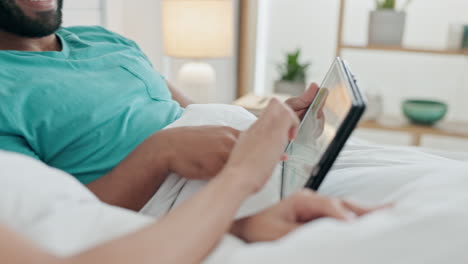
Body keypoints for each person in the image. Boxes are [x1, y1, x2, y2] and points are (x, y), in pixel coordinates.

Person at [0, 0, 320, 211]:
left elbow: (190, 112)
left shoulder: (104, 38)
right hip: (178, 204)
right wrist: (159, 154)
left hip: (258, 164)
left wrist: (271, 123)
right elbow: (47, 226)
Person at [0, 99, 380, 263]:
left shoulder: (108, 42)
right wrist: (241, 176)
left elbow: (70, 218)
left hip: (201, 222)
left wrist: (240, 229)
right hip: (207, 192)